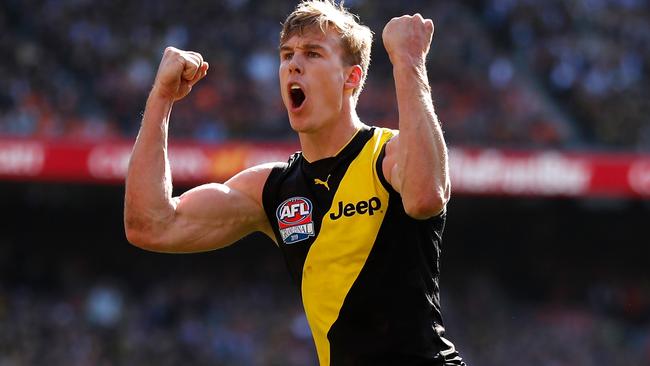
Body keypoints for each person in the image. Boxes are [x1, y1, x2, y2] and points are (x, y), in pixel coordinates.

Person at [124, 0, 463, 364]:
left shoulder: (389, 154)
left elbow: (426, 196)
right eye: (286, 55)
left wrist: (409, 62)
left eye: (313, 54)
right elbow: (151, 225)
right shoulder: (272, 189)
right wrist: (161, 98)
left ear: (351, 77)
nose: (293, 65)